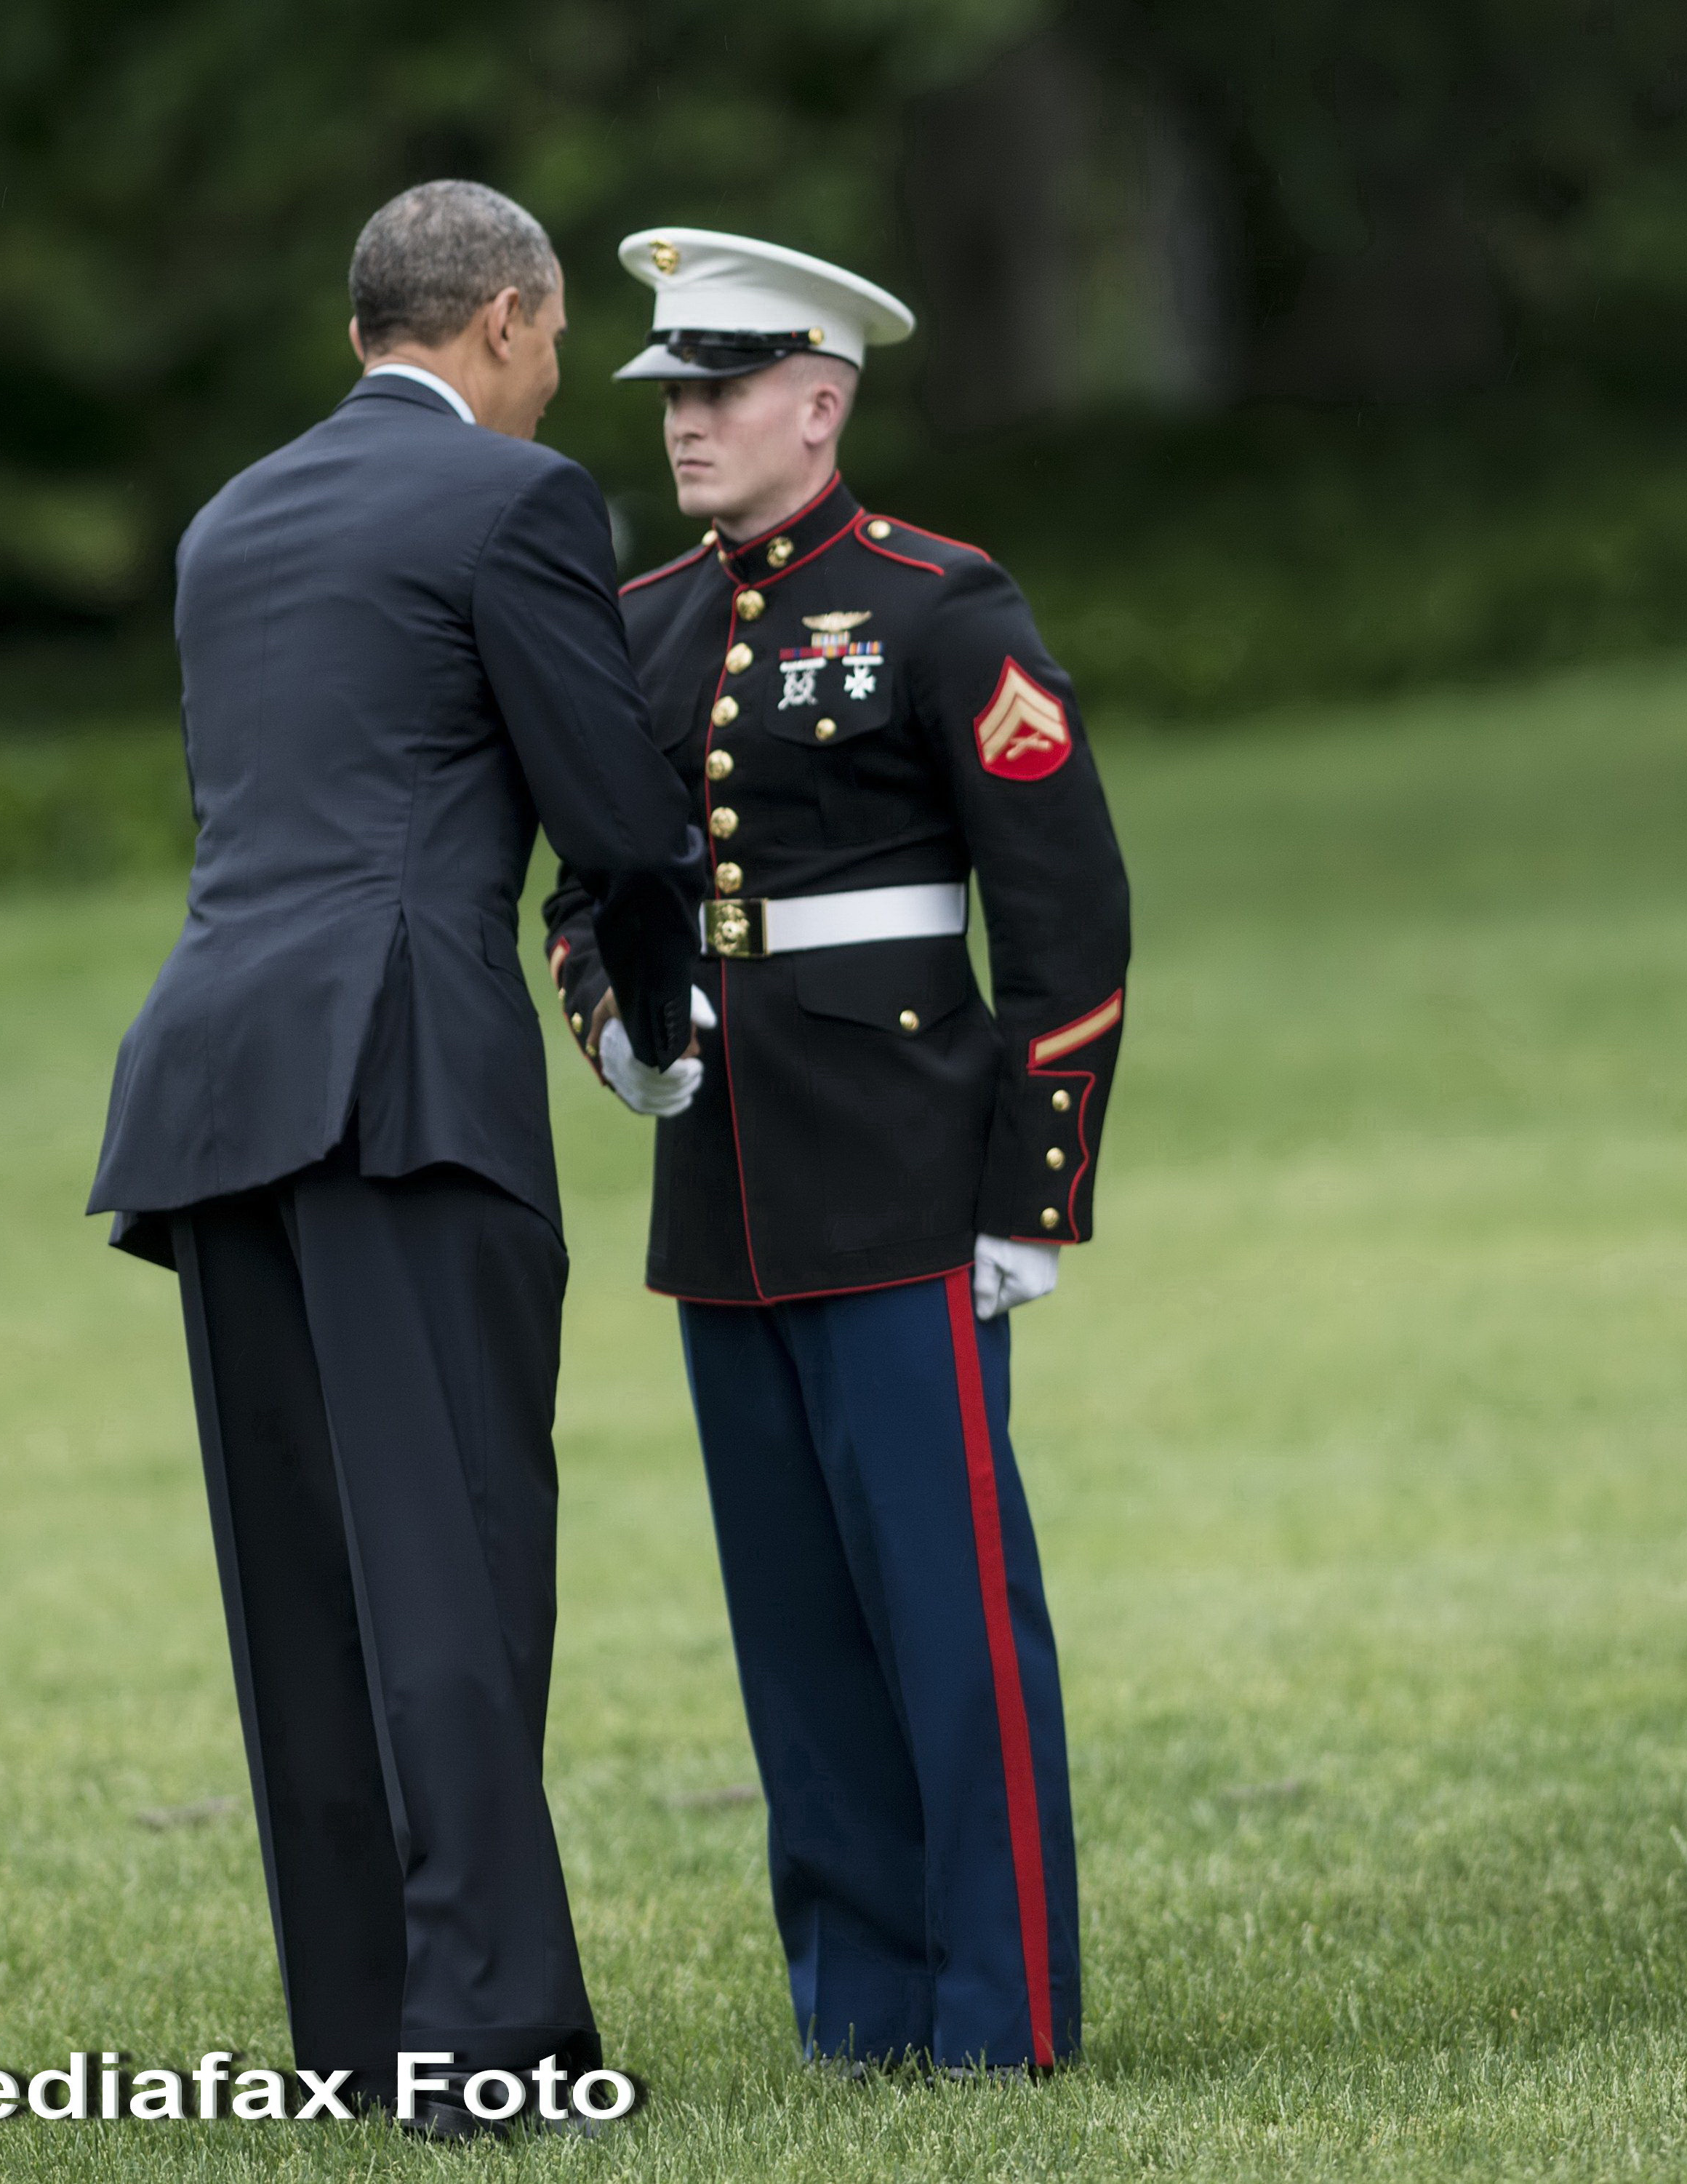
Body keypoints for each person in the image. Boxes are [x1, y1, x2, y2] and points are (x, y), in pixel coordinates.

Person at [87, 180, 702, 2136]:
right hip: (399, 1080)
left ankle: (364, 2037)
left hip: (213, 1081)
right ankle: (495, 2046)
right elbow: (613, 814)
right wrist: (657, 1023)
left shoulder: (226, 522)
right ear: (508, 321)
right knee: (451, 1562)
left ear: (367, 327)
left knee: (311, 1586)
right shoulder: (515, 503)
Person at [541, 226, 1130, 2075]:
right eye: (670, 393)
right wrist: (616, 1027)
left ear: (823, 398)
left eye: (720, 390)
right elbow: (586, 892)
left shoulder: (943, 602)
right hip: (723, 1187)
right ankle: (858, 2009)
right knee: (794, 1634)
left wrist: (1035, 1195)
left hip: (903, 1173)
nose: (687, 424)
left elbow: (1068, 920)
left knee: (952, 1629)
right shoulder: (636, 622)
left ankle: (1001, 2010)